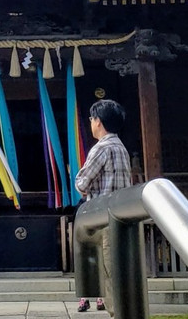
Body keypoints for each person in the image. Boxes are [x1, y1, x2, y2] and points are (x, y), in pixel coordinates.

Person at [74, 99, 131, 312]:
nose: (91, 122)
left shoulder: (102, 148)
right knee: (119, 270)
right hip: (122, 216)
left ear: (98, 121)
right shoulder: (121, 147)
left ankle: (117, 313)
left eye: (91, 118)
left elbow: (82, 182)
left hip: (105, 217)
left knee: (109, 272)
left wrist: (80, 183)